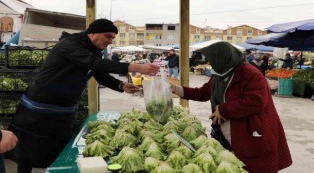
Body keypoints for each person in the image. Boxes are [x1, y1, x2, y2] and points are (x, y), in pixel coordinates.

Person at [7, 19, 159, 173]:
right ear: (92, 33)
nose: (110, 41)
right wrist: (133, 66)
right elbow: (94, 63)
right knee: (28, 148)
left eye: (113, 38)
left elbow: (100, 73)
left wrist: (121, 85)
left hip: (64, 109)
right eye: (108, 36)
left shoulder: (92, 51)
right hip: (39, 107)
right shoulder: (69, 45)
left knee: (58, 148)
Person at [171, 41, 292, 173]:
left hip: (250, 132)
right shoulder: (220, 75)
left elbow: (257, 101)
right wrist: (175, 89)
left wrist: (224, 109)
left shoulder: (250, 73)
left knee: (253, 167)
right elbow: (202, 93)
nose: (211, 63)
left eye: (213, 60)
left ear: (223, 58)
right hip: (227, 135)